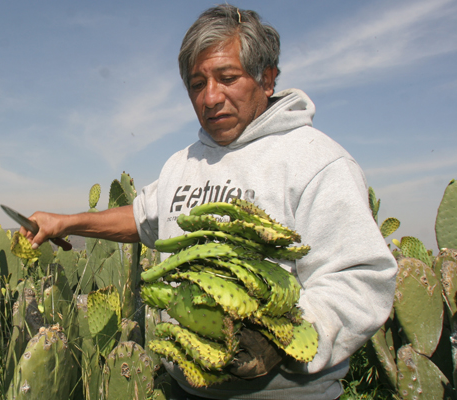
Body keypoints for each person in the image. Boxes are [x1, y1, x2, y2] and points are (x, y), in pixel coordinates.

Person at [21, 4, 397, 399]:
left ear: (266, 79)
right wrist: (65, 222)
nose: (211, 97)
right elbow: (143, 218)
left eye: (227, 77)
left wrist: (277, 339)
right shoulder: (184, 163)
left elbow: (361, 279)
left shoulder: (315, 161)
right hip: (187, 387)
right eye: (197, 84)